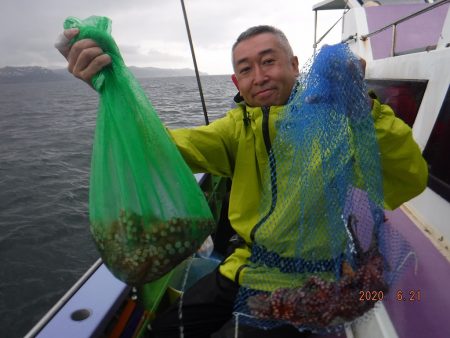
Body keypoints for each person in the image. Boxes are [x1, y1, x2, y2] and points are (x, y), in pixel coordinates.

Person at [57, 25, 428, 337]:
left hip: (311, 280)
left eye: (269, 61)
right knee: (168, 329)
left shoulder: (336, 125)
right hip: (243, 265)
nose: (260, 76)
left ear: (295, 65)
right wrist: (113, 89)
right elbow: (162, 149)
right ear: (237, 80)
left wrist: (363, 110)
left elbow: (407, 180)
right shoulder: (236, 128)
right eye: (246, 69)